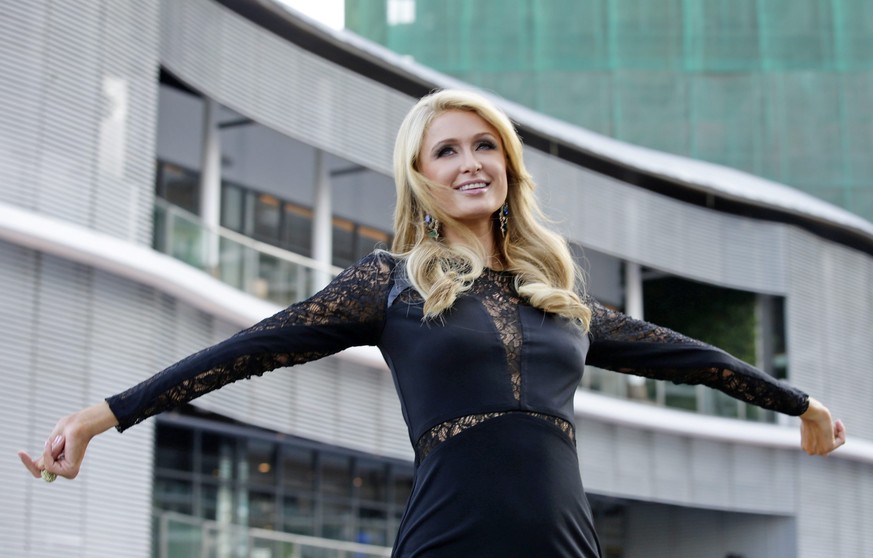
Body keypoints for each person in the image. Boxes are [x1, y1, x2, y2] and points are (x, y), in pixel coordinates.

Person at [19, 89, 846, 557]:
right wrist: (102, 416)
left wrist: (798, 403)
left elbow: (689, 358)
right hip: (449, 539)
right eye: (445, 151)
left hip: (564, 543)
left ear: (507, 164)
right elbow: (247, 350)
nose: (470, 162)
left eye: (484, 146)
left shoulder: (558, 299)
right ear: (419, 177)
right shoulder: (386, 284)